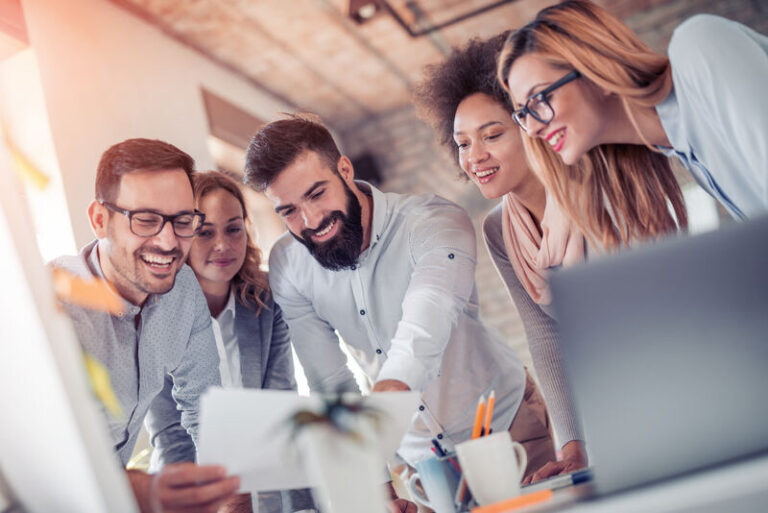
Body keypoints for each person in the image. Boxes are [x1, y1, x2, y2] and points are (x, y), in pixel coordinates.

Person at [243, 115, 556, 485]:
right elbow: (330, 379)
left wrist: (389, 394)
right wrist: (374, 480)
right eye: (288, 211)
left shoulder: (432, 220)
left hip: (505, 428)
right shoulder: (288, 265)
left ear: (344, 169)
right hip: (417, 462)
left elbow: (428, 314)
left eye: (316, 194)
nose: (310, 220)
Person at [414, 34, 587, 482]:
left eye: (492, 135)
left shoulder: (590, 192)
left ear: (531, 125)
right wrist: (573, 446)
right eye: (463, 144)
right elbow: (546, 338)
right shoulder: (497, 229)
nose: (476, 157)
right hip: (598, 401)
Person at [52, 139, 240, 513]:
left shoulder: (183, 290)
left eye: (183, 221)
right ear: (99, 220)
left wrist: (228, 495)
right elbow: (37, 453)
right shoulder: (54, 307)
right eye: (146, 220)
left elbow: (207, 409)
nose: (169, 242)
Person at [499, 1, 768, 249]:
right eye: (523, 113)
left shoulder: (699, 45)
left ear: (596, 70)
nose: (532, 129)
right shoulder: (684, 151)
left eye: (539, 99)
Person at [145, 170, 316, 513]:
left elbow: (279, 404)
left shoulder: (267, 302)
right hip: (190, 486)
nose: (223, 245)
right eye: (205, 233)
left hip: (269, 475)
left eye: (233, 228)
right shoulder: (153, 317)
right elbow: (169, 432)